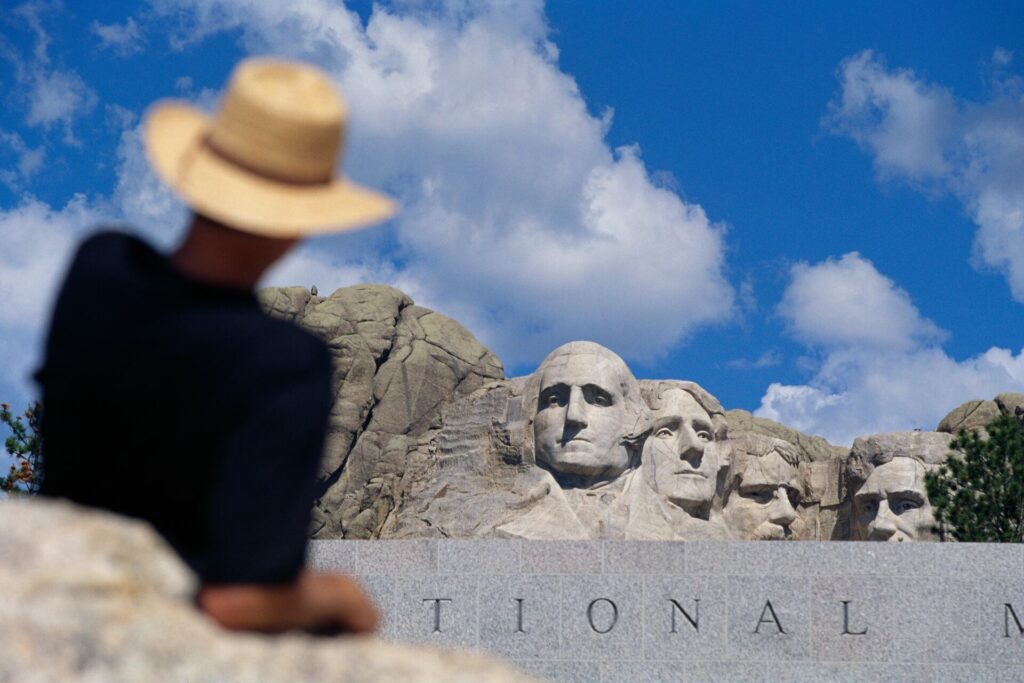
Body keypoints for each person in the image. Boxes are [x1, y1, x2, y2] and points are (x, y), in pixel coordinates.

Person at [36, 57, 394, 634]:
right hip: (146, 631)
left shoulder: (99, 265)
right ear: (299, 221)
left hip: (44, 589)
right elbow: (239, 602)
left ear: (196, 170)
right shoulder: (283, 363)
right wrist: (338, 598)